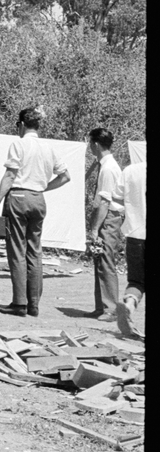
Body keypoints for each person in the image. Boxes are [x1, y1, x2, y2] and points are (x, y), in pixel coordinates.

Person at [0, 107, 71, 317]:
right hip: (38, 199)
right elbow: (65, 176)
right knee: (34, 250)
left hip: (18, 197)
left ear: (22, 125)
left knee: (17, 250)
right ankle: (34, 303)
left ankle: (19, 302)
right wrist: (43, 187)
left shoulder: (19, 143)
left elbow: (10, 175)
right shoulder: (48, 147)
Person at [85, 128, 126, 321]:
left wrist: (94, 228)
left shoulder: (109, 168)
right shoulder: (105, 165)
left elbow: (104, 202)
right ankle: (101, 306)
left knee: (106, 260)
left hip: (108, 218)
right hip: (106, 216)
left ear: (95, 144)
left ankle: (110, 308)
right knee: (99, 259)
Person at [116, 154, 146, 339]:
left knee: (136, 281)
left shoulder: (131, 171)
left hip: (136, 234)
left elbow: (117, 199)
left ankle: (128, 306)